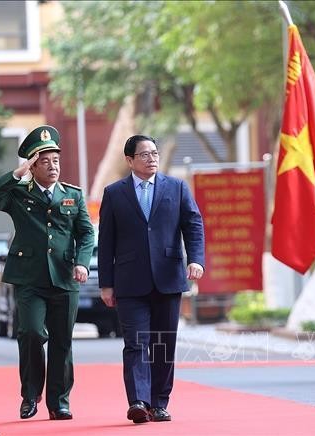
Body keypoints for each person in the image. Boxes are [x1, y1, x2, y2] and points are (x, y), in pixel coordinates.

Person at [0, 125, 95, 421]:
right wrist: (17, 174)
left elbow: (86, 233)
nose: (53, 166)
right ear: (33, 165)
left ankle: (59, 401)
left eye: (55, 160)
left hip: (64, 276)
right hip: (30, 277)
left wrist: (82, 262)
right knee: (31, 333)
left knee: (62, 340)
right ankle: (30, 395)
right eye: (44, 161)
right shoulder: (19, 193)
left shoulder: (73, 195)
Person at [97, 134, 205, 424]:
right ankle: (138, 401)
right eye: (144, 155)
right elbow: (105, 241)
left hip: (168, 279)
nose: (152, 159)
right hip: (129, 282)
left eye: (154, 153)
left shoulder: (177, 187)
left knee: (163, 343)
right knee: (135, 343)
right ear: (130, 160)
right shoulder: (114, 193)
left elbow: (193, 224)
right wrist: (106, 283)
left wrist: (195, 259)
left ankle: (158, 402)